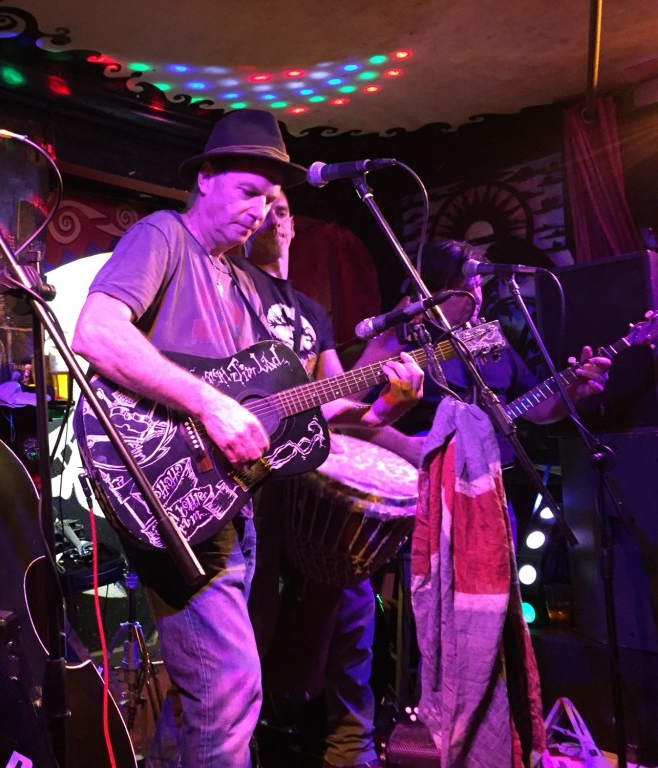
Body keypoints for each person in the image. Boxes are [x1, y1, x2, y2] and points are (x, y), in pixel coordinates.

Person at [72, 109, 424, 768]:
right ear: (204, 178)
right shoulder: (163, 237)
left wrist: (378, 413)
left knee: (208, 699)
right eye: (248, 192)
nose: (259, 211)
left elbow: (283, 407)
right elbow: (95, 332)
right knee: (231, 689)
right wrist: (207, 405)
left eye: (270, 199)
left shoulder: (246, 287)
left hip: (228, 500)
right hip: (164, 482)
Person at [236, 190, 399, 768]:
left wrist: (384, 407)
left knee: (351, 613)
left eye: (283, 208)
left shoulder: (312, 311)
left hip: (315, 483)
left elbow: (340, 397)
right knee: (250, 630)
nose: (274, 216)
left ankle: (349, 752)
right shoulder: (229, 292)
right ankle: (243, 749)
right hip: (252, 485)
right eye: (262, 204)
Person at [354, 239, 611, 469]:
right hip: (423, 480)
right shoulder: (402, 341)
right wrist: (406, 446)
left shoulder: (486, 338)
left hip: (493, 476)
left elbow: (538, 411)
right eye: (462, 291)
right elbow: (348, 414)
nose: (475, 298)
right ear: (429, 294)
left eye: (477, 286)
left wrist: (574, 390)